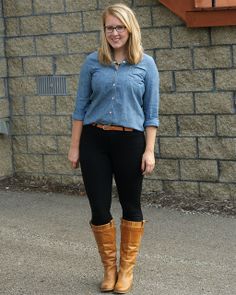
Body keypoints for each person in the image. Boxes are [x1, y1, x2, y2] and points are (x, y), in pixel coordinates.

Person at [68, 3, 159, 294]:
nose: (115, 33)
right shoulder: (92, 62)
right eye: (110, 27)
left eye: (120, 27)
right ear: (104, 30)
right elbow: (80, 108)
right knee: (98, 207)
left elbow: (151, 113)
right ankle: (109, 268)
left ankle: (126, 270)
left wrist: (149, 150)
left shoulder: (146, 64)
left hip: (130, 142)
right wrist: (74, 147)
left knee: (131, 205)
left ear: (130, 28)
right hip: (94, 141)